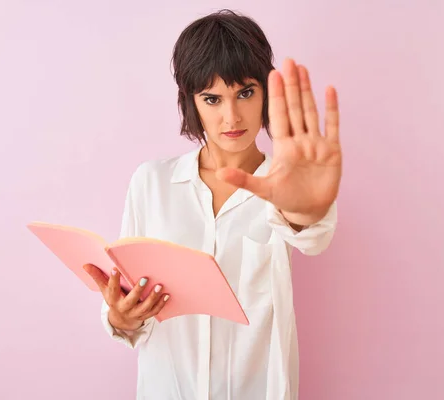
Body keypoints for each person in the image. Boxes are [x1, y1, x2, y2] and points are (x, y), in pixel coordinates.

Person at [83, 9, 342, 400]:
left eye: (245, 93)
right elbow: (132, 300)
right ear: (192, 102)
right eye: (212, 98)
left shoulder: (286, 185)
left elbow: (312, 236)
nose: (231, 116)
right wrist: (121, 317)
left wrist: (305, 212)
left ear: (266, 94)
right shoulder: (151, 183)